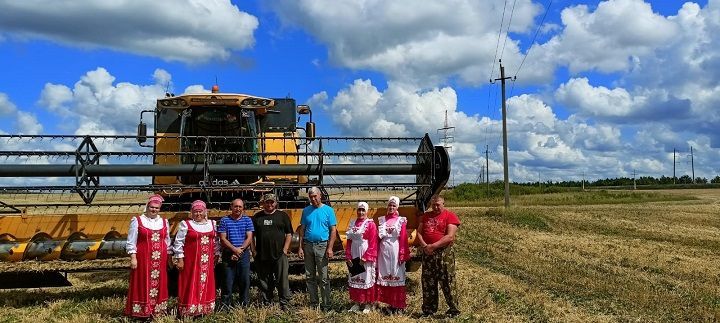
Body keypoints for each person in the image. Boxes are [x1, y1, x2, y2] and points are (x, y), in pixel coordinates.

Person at [124, 194, 172, 318]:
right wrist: (133, 257)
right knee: (142, 282)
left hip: (160, 260)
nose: (154, 210)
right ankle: (142, 311)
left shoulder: (164, 222)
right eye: (152, 207)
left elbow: (167, 240)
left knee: (159, 282)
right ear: (147, 207)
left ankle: (157, 311)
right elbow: (131, 240)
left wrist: (169, 256)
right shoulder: (138, 220)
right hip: (143, 258)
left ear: (160, 209)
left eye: (156, 208)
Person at [415, 195, 461, 318]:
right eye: (433, 205)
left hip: (444, 253)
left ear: (443, 204)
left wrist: (433, 246)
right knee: (428, 281)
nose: (435, 207)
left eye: (438, 205)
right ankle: (429, 310)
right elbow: (419, 232)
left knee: (447, 280)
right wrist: (425, 246)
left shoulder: (450, 216)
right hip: (428, 253)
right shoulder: (426, 216)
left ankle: (454, 310)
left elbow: (450, 236)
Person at [172, 200, 220, 317]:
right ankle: (189, 309)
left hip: (207, 261)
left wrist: (217, 254)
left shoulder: (212, 224)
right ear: (192, 213)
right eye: (195, 212)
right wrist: (180, 259)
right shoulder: (186, 224)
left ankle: (204, 308)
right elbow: (179, 242)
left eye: (200, 211)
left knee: (206, 282)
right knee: (190, 282)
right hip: (191, 262)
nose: (198, 214)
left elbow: (216, 241)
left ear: (205, 212)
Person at [297, 186, 337, 310]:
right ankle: (314, 304)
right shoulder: (306, 211)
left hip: (322, 246)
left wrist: (330, 248)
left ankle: (326, 305)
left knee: (324, 278)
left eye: (315, 196)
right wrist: (300, 247)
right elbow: (302, 229)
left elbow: (333, 230)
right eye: (311, 197)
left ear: (320, 196)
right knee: (310, 277)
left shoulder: (329, 210)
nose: (313, 199)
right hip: (308, 245)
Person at [252, 193, 293, 309]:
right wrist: (253, 250)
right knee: (264, 280)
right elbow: (250, 235)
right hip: (262, 255)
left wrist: (285, 249)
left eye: (272, 202)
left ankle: (284, 303)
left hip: (280, 255)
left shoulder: (282, 216)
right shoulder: (257, 217)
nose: (269, 204)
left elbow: (289, 234)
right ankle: (267, 302)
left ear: (276, 203)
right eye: (267, 202)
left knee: (282, 280)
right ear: (263, 203)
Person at [217, 198, 254, 308]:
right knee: (227, 281)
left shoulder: (247, 220)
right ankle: (225, 306)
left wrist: (239, 251)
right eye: (235, 206)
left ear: (243, 208)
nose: (238, 209)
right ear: (231, 207)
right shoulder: (224, 220)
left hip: (243, 254)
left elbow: (249, 237)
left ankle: (244, 304)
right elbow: (223, 239)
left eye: (240, 207)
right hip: (228, 254)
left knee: (244, 281)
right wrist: (234, 250)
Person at [376, 196, 410, 314]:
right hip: (384, 251)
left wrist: (402, 253)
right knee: (386, 276)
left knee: (397, 276)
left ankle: (399, 305)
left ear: (397, 207)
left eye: (394, 206)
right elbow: (377, 238)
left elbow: (404, 238)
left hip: (396, 249)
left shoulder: (401, 220)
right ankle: (390, 304)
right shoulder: (382, 220)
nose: (391, 207)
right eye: (390, 205)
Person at [344, 201, 378, 314]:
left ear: (367, 211)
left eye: (363, 210)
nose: (361, 212)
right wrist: (348, 255)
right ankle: (357, 302)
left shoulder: (371, 224)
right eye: (359, 209)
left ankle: (368, 303)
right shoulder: (352, 222)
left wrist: (366, 257)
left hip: (364, 255)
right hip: (354, 253)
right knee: (355, 278)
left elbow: (373, 242)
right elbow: (349, 241)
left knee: (366, 278)